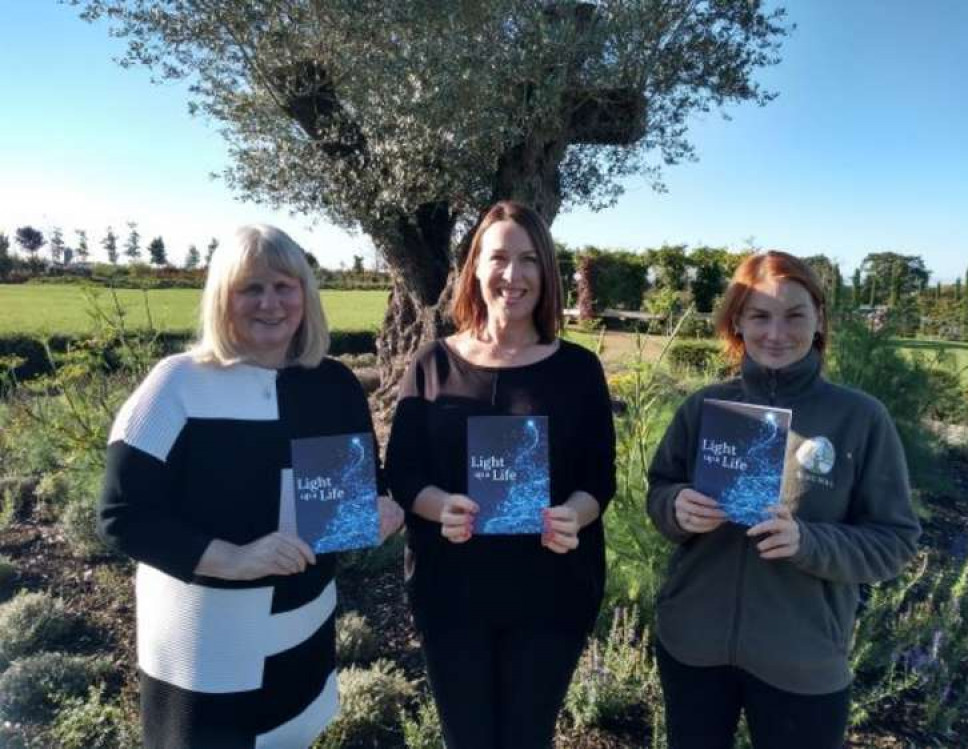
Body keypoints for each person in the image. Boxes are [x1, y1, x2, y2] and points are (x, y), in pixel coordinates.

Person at [98, 225, 403, 748]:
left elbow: (350, 499)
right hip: (205, 646)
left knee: (292, 733)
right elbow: (122, 516)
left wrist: (378, 515)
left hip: (302, 625)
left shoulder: (333, 386)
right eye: (251, 288)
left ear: (306, 295)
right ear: (222, 298)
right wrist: (234, 559)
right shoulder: (176, 386)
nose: (271, 303)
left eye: (285, 286)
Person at [646, 250, 921, 749]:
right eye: (760, 315)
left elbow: (895, 541)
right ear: (737, 322)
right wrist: (676, 507)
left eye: (794, 315)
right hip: (692, 647)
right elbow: (661, 491)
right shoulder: (702, 407)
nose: (776, 333)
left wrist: (807, 542)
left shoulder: (859, 419)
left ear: (818, 318)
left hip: (803, 662)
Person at [386, 200, 616, 749]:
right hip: (452, 594)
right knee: (466, 738)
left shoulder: (578, 370)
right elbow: (402, 473)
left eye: (529, 260)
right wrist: (439, 505)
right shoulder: (432, 364)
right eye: (499, 258)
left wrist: (573, 515)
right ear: (475, 269)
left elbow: (599, 479)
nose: (512, 276)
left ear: (547, 273)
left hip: (550, 592)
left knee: (526, 737)